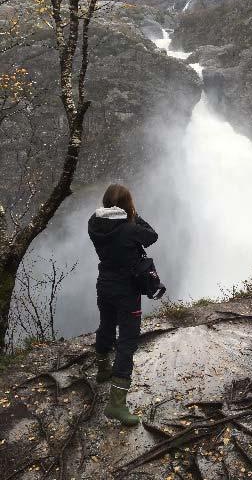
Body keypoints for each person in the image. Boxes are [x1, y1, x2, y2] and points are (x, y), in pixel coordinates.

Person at [88, 183, 158, 426]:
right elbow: (152, 236)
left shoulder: (94, 223)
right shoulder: (130, 229)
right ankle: (117, 404)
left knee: (106, 326)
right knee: (127, 342)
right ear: (127, 206)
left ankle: (102, 369)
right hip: (127, 291)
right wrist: (135, 215)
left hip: (104, 284)